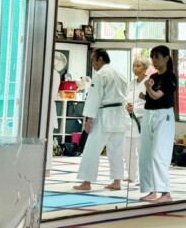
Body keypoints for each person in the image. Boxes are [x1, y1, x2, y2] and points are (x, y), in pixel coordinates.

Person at [72, 50, 129, 192]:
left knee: (91, 149)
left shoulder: (100, 75)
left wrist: (88, 119)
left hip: (105, 114)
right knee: (116, 150)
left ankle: (86, 182)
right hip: (120, 114)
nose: (92, 64)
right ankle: (117, 181)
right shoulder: (120, 74)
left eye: (93, 60)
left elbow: (94, 98)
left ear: (101, 59)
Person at [140, 45, 178, 204]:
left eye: (157, 57)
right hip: (149, 114)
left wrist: (148, 88)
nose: (154, 61)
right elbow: (150, 98)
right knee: (146, 155)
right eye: (152, 57)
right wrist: (144, 94)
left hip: (164, 116)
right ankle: (152, 190)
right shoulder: (153, 76)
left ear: (166, 58)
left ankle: (165, 192)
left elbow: (156, 96)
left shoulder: (170, 77)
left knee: (158, 154)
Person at [124, 56, 148, 187]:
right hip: (129, 120)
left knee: (141, 151)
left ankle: (142, 177)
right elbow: (125, 98)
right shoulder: (131, 83)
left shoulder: (149, 82)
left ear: (145, 68)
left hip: (141, 120)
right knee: (127, 150)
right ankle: (131, 176)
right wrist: (126, 106)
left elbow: (149, 104)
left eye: (138, 66)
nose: (135, 68)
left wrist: (136, 109)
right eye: (134, 65)